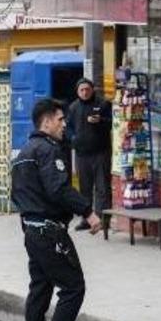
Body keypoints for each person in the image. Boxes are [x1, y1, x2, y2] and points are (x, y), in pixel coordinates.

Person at [11, 99, 102, 321]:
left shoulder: (24, 153)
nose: (64, 125)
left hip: (32, 231)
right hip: (49, 232)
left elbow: (17, 196)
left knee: (40, 290)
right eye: (60, 120)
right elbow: (58, 189)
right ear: (47, 122)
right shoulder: (49, 150)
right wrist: (88, 212)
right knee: (74, 288)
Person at [66, 78, 112, 231]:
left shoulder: (103, 104)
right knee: (85, 188)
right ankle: (87, 219)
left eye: (87, 89)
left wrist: (100, 121)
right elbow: (68, 127)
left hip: (101, 152)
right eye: (82, 90)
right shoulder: (73, 108)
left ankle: (103, 220)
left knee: (102, 188)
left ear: (92, 90)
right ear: (77, 92)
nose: (85, 93)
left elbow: (112, 123)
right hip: (82, 153)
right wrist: (73, 139)